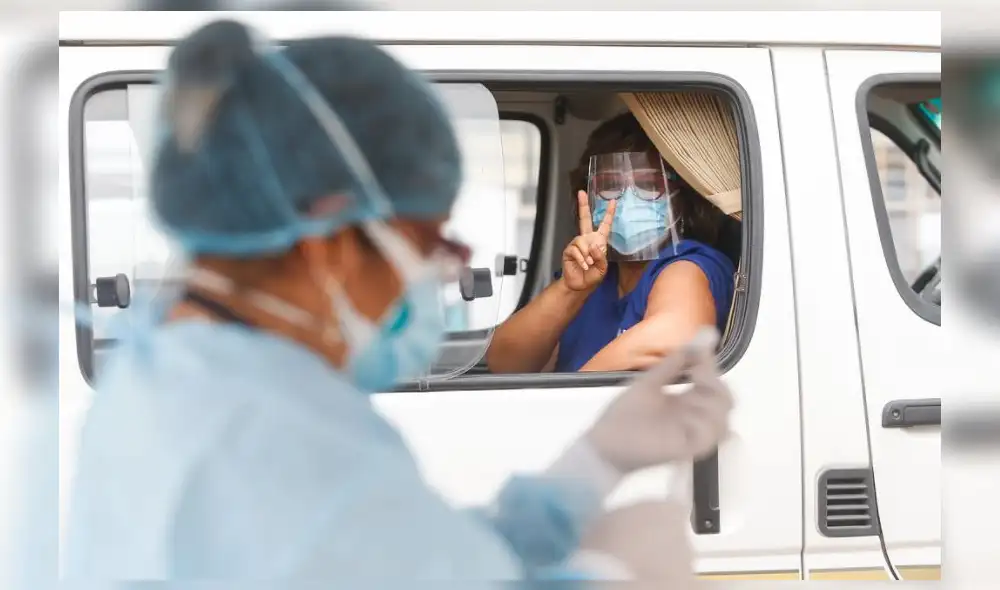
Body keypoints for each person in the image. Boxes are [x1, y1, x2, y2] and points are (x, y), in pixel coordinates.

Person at [63, 20, 733, 584]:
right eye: (426, 241)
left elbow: (422, 552)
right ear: (331, 244)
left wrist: (592, 463)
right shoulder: (270, 434)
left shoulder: (182, 377)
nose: (446, 267)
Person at [487, 113, 736, 374]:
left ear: (681, 198)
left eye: (649, 185)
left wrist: (569, 400)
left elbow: (675, 339)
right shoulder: (593, 278)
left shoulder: (688, 263)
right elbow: (506, 364)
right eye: (609, 186)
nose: (626, 200)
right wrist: (571, 290)